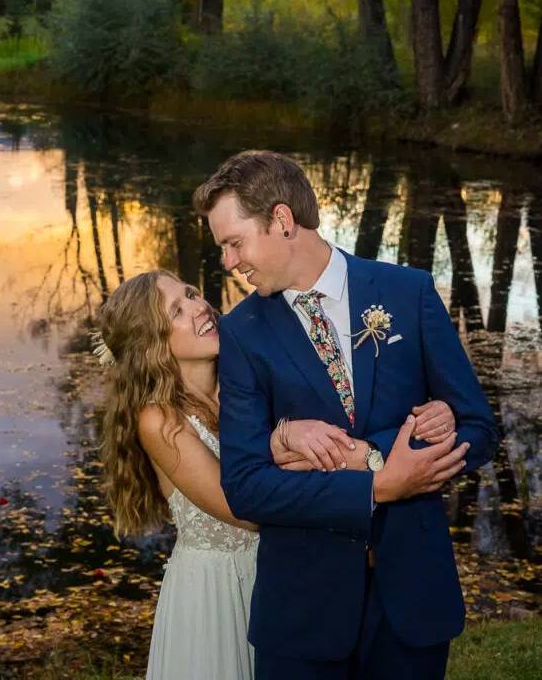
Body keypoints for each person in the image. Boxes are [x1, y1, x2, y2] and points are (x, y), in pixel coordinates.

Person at [193, 150, 499, 680]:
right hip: (302, 614)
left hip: (413, 599)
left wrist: (376, 452)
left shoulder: (408, 293)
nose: (228, 261)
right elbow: (245, 486)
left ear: (282, 220)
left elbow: (478, 428)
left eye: (234, 242)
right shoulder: (240, 335)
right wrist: (378, 485)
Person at [96, 269, 456, 680]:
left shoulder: (245, 375)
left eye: (192, 293)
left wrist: (434, 413)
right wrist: (286, 449)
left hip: (288, 577)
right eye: (178, 310)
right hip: (216, 590)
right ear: (151, 345)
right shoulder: (159, 420)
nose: (201, 308)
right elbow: (243, 505)